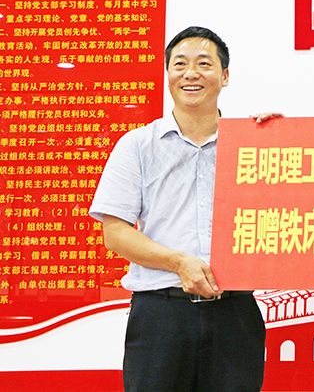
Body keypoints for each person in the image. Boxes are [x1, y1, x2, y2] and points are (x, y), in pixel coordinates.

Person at [90, 26, 278, 392]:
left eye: (204, 64)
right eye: (180, 64)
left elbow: (288, 213)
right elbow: (115, 232)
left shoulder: (251, 146)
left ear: (225, 76)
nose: (191, 73)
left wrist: (280, 141)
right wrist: (178, 263)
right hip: (161, 315)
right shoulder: (137, 145)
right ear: (168, 75)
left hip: (234, 313)